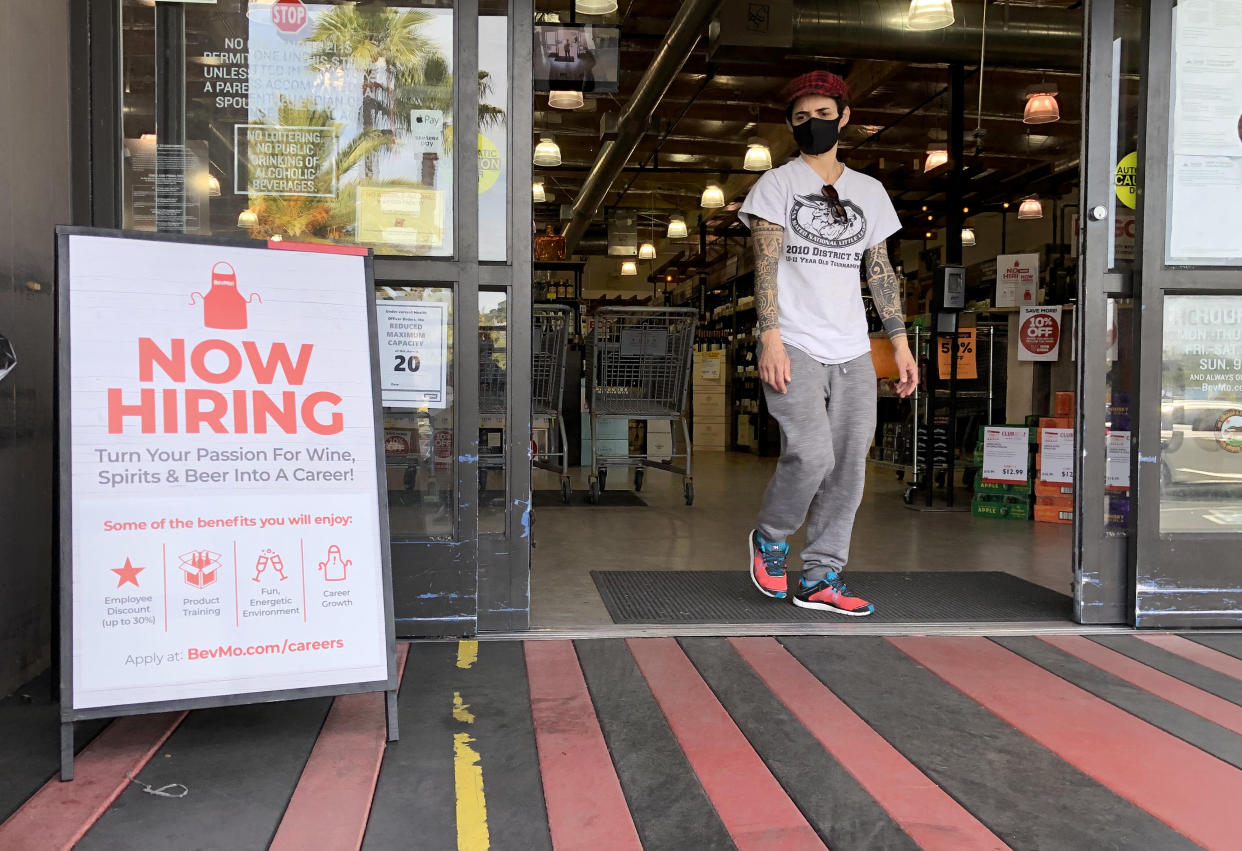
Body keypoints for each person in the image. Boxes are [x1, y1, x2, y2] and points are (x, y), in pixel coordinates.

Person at [738, 71, 918, 616]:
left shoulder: (870, 192)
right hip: (793, 340)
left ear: (844, 117)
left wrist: (901, 343)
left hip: (853, 350)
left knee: (849, 468)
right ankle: (770, 537)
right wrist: (769, 338)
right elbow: (764, 269)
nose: (810, 124)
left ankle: (820, 577)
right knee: (812, 454)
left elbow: (881, 272)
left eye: (821, 114)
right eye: (800, 117)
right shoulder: (777, 185)